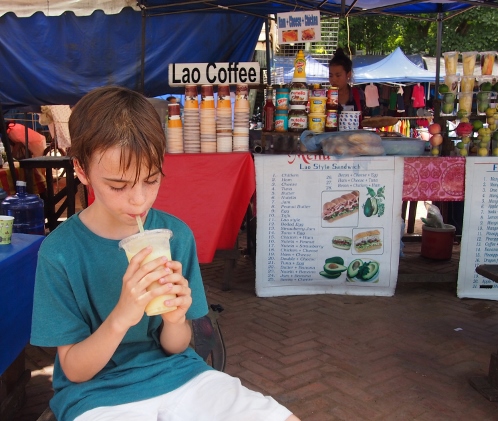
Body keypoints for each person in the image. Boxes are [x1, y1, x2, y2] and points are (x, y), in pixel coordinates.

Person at [30, 86, 300, 421]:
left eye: (152, 179)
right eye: (118, 186)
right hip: (97, 394)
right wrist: (122, 317)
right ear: (82, 171)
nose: (139, 200)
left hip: (179, 374)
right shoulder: (60, 253)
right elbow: (74, 371)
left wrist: (174, 320)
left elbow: (177, 345)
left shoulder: (176, 236)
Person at [328, 48, 367, 125]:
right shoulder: (325, 98)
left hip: (355, 136)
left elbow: (364, 118)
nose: (334, 80)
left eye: (338, 75)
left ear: (348, 74)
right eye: (331, 75)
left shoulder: (358, 94)